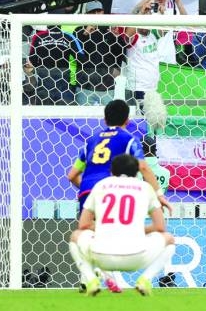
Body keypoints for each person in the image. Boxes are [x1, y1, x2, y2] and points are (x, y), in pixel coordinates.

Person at [68, 153, 175, 297]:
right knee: (169, 239)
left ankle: (91, 280)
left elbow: (84, 224)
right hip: (137, 257)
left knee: (76, 236)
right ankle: (145, 279)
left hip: (102, 257)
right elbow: (160, 227)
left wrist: (108, 228)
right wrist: (134, 228)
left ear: (111, 171)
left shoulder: (101, 186)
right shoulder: (145, 187)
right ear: (137, 172)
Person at [66, 100, 170, 215]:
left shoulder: (91, 142)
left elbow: (71, 176)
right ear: (127, 120)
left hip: (87, 191)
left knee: (89, 229)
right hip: (110, 191)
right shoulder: (129, 140)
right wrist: (159, 195)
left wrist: (91, 189)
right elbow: (143, 167)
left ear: (105, 120)